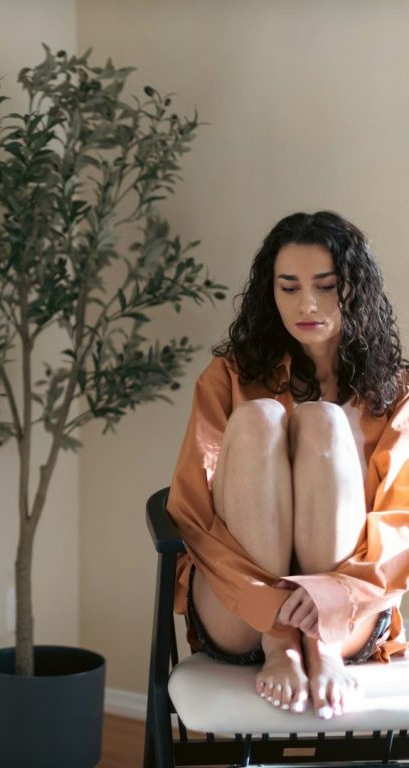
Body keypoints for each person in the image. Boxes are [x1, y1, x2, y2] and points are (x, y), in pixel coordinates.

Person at [168, 211, 409, 721]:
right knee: (257, 416)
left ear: (355, 290)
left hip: (347, 613)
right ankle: (282, 644)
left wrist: (329, 595)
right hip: (241, 603)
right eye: (289, 287)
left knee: (322, 420)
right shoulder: (228, 375)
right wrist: (266, 603)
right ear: (268, 292)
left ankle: (317, 646)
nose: (307, 305)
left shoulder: (397, 393)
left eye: (326, 287)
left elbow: (400, 522)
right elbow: (192, 510)